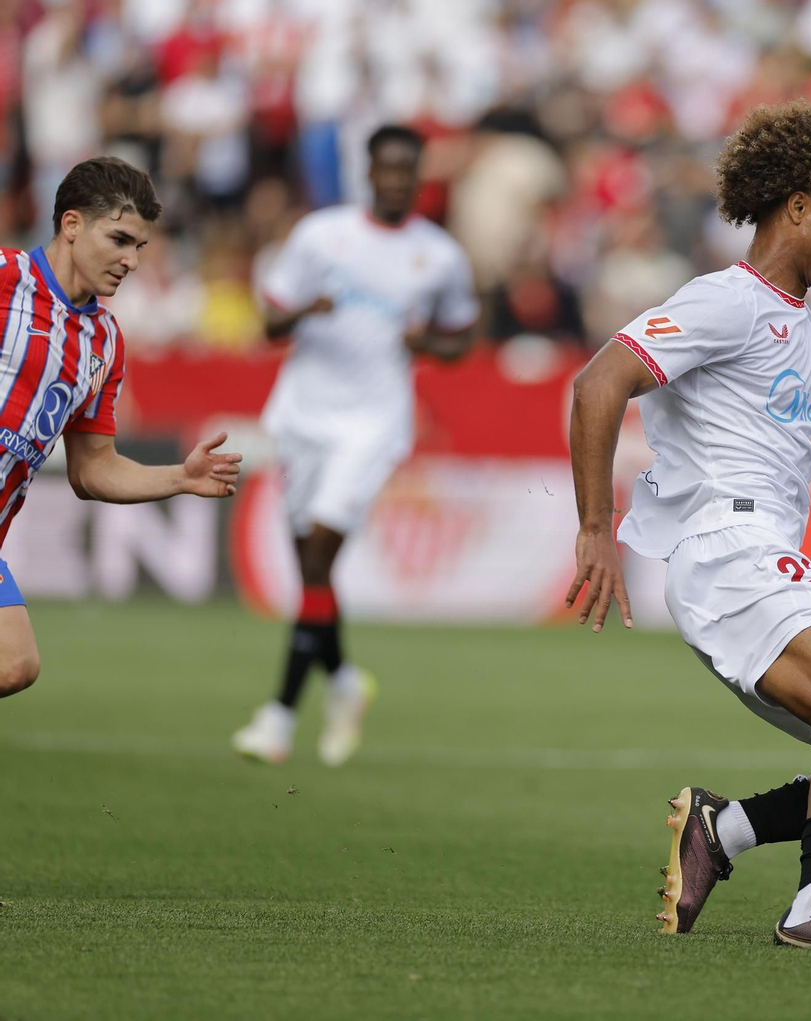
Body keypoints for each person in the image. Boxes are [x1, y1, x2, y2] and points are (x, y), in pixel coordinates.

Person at [566, 101, 811, 954]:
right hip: (728, 550)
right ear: (796, 207)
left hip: (765, 556)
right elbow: (598, 382)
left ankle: (725, 830)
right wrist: (596, 530)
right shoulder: (727, 302)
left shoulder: (807, 334)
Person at [230, 125, 478, 767]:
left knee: (316, 557)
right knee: (313, 570)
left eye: (407, 171)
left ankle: (279, 716)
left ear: (419, 176)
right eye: (387, 169)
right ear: (368, 171)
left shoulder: (439, 255)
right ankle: (343, 682)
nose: (397, 180)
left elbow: (460, 337)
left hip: (374, 423)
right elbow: (269, 319)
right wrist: (305, 310)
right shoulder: (322, 235)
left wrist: (427, 344)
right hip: (304, 414)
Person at [0, 157, 242, 697]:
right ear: (71, 225)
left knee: (15, 664)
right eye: (120, 240)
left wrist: (180, 478)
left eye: (140, 247)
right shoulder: (4, 279)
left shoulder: (104, 342)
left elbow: (93, 470)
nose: (132, 261)